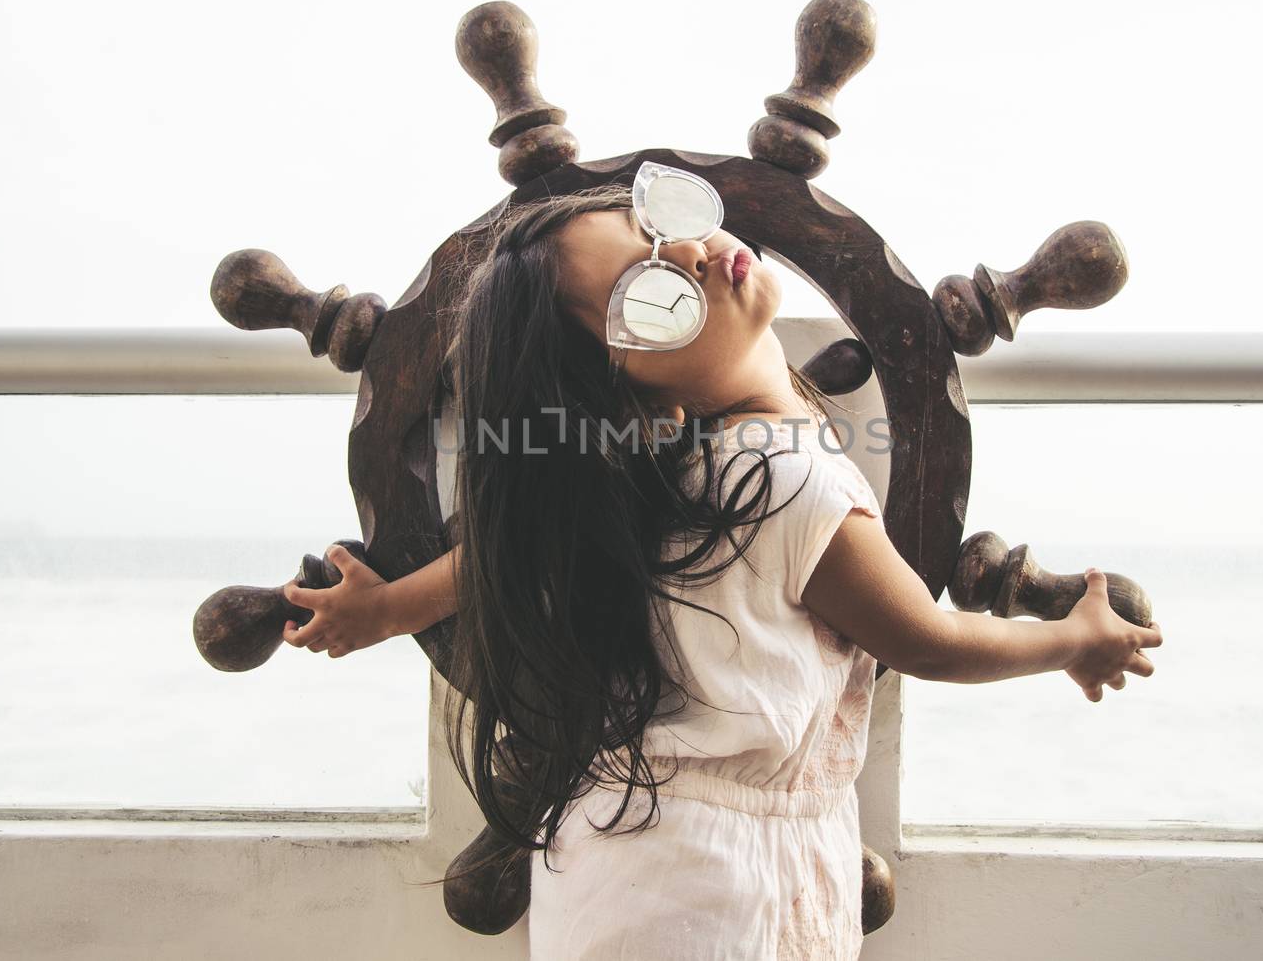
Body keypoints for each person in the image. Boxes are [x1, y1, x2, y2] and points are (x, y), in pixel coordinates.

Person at [275, 180, 1163, 959]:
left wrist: (388, 608)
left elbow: (508, 548)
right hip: (723, 891)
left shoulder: (645, 471)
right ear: (623, 386)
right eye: (646, 289)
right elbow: (926, 641)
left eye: (659, 223)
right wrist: (1070, 639)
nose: (692, 256)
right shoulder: (788, 478)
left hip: (609, 860)